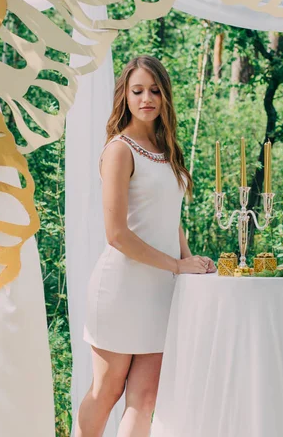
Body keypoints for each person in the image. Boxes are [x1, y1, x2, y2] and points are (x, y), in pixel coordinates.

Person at [76, 55, 217, 437]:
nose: (147, 98)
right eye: (138, 91)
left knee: (146, 397)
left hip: (161, 292)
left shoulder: (165, 148)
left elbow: (169, 218)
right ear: (125, 96)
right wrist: (176, 264)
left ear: (165, 96)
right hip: (121, 290)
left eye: (155, 90)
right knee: (107, 391)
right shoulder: (119, 150)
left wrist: (190, 262)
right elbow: (116, 234)